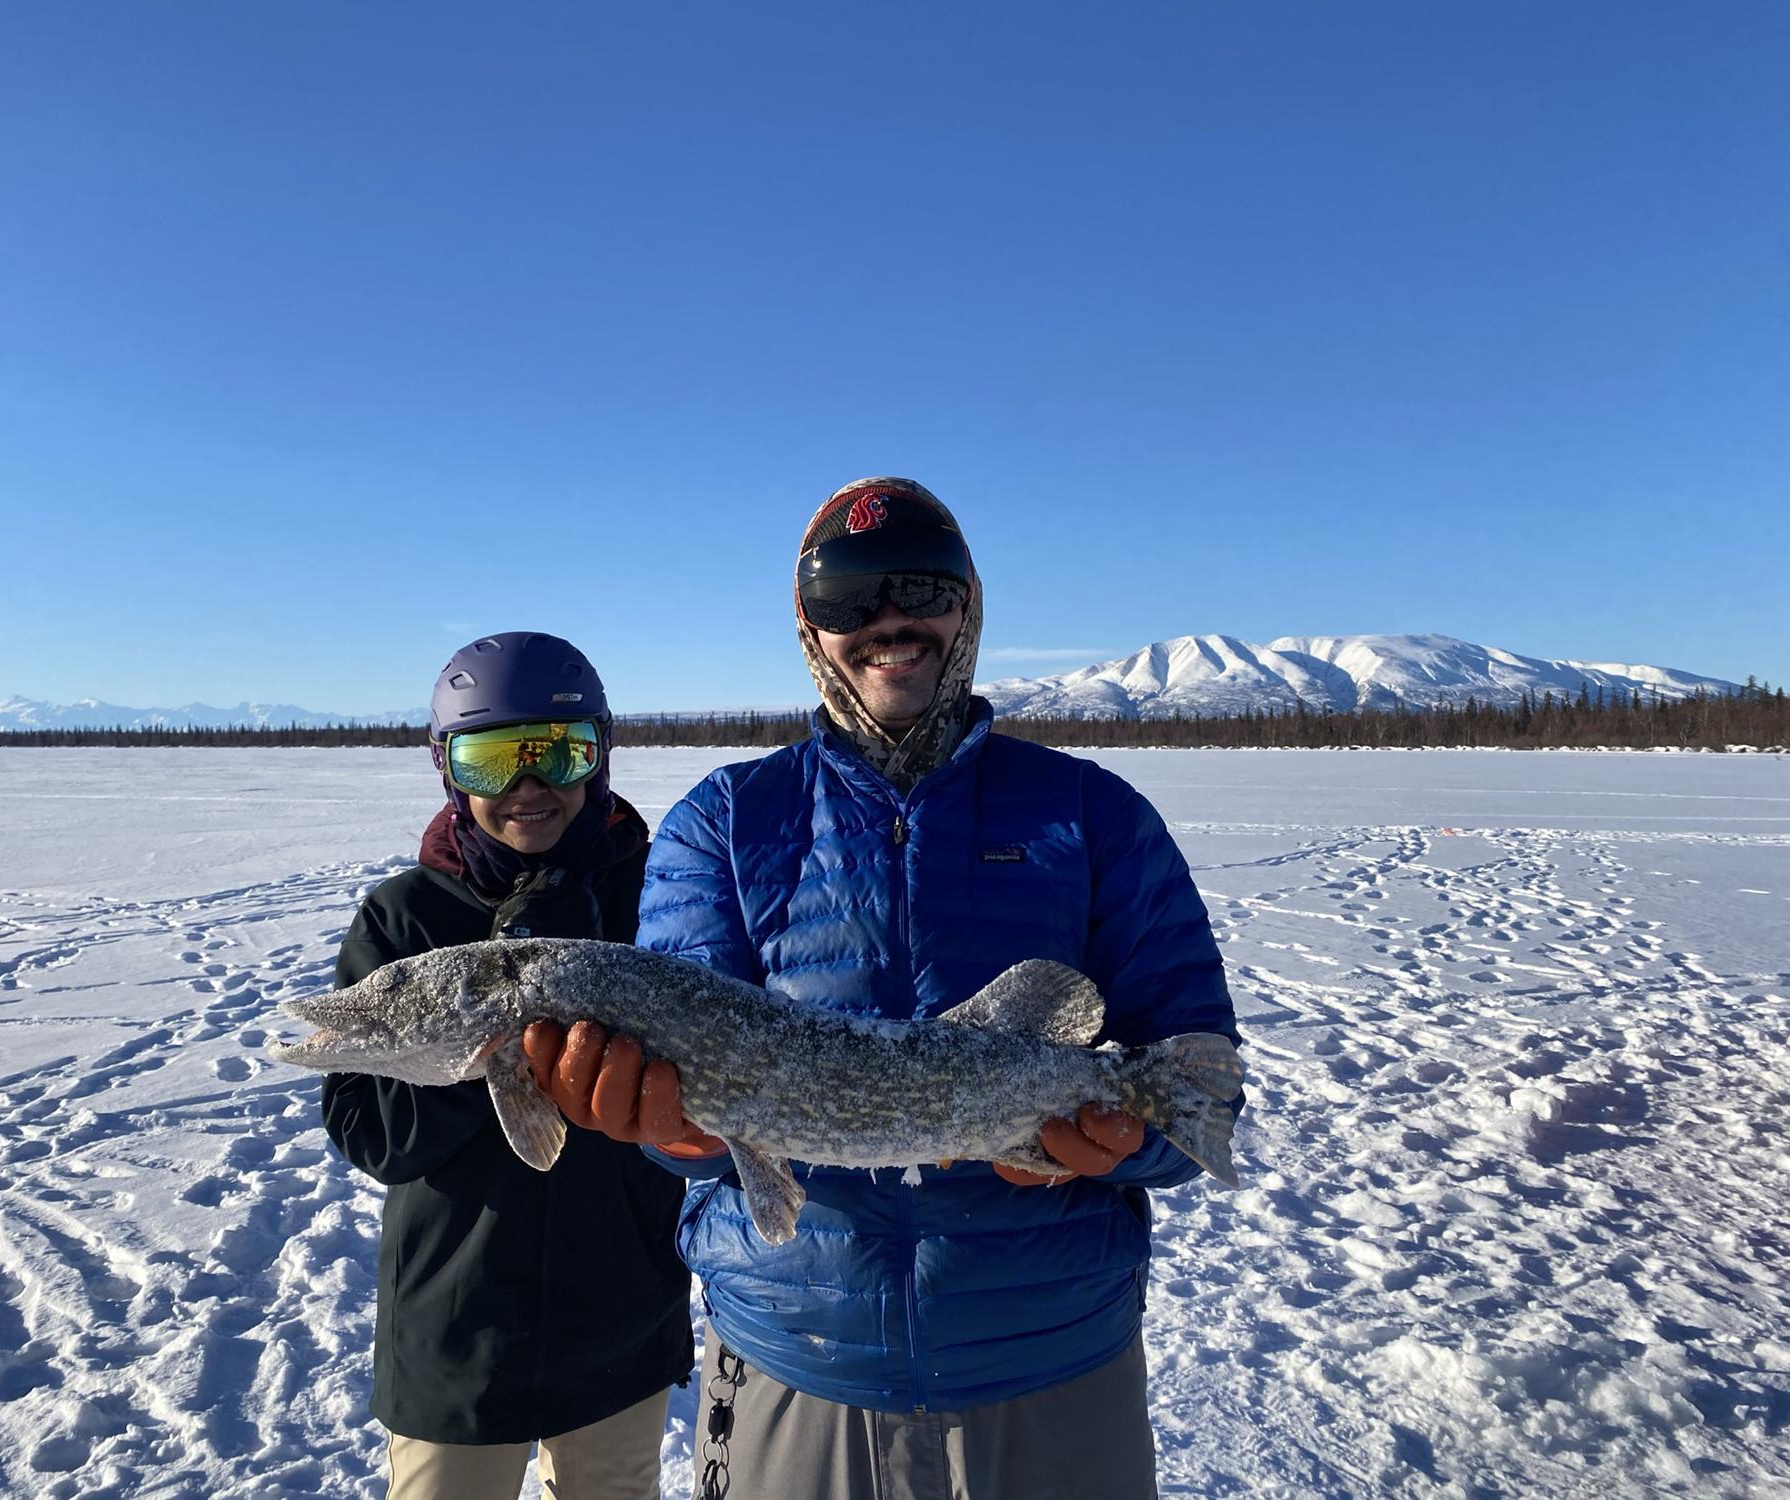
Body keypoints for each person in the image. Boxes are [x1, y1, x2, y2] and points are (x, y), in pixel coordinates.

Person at [525, 479, 1243, 1499]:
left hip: (1049, 1356)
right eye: (846, 597)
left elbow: (1197, 1081)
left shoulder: (1094, 817)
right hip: (794, 1354)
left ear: (968, 605)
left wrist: (1133, 1140)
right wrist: (667, 1128)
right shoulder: (723, 822)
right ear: (808, 625)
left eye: (918, 587)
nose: (885, 622)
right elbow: (680, 1086)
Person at [321, 632, 693, 1500]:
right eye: (493, 761)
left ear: (599, 758)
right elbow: (368, 1129)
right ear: (448, 769)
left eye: (557, 755)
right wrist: (494, 1036)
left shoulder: (660, 897)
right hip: (457, 1332)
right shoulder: (407, 917)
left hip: (621, 1316)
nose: (529, 790)